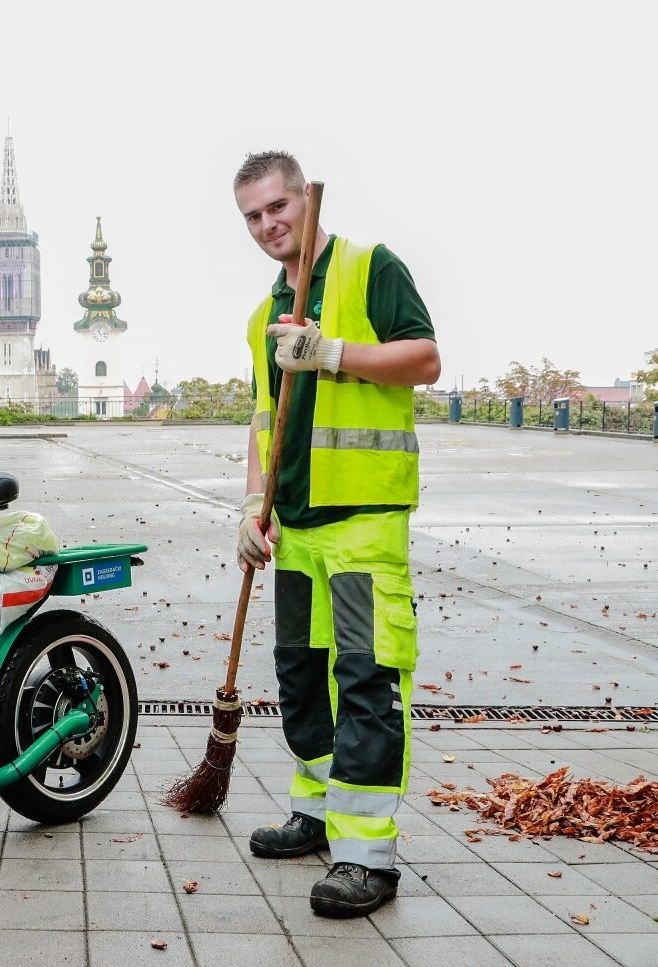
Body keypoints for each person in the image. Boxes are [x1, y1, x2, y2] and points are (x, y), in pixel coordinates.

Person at [232, 150, 440, 918]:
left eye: (278, 206)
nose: (268, 224)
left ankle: (366, 856)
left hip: (363, 528)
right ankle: (317, 813)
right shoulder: (264, 316)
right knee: (302, 678)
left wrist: (333, 354)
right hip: (297, 534)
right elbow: (265, 420)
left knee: (366, 681)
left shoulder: (370, 268)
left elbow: (424, 360)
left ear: (302, 201)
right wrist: (254, 506)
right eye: (253, 215)